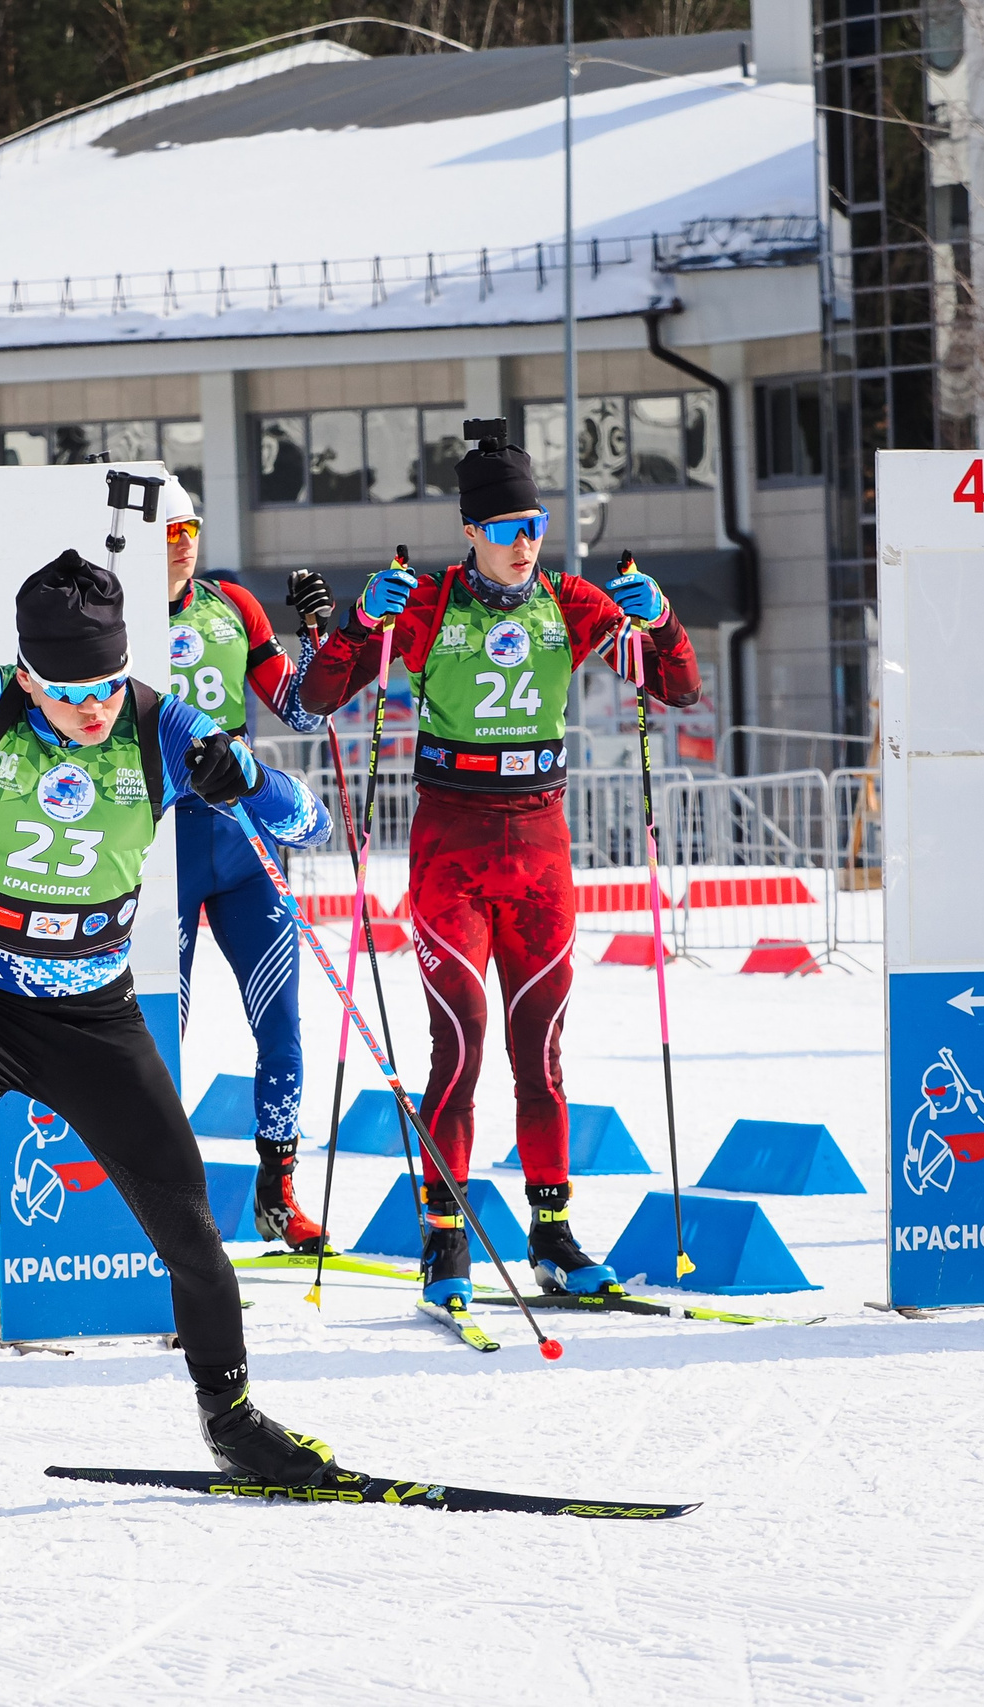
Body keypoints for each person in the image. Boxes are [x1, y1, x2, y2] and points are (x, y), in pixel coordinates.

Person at [0, 552, 341, 1481]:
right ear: (29, 674)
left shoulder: (161, 724)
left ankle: (232, 1415)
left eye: (108, 685)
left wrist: (246, 777)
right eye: (72, 690)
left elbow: (308, 823)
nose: (95, 708)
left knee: (190, 1226)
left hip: (94, 1015)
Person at [298, 425, 700, 1322]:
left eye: (538, 523)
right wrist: (365, 621)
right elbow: (322, 696)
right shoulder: (428, 603)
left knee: (541, 1050)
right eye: (511, 525)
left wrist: (662, 616)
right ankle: (445, 1235)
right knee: (460, 1043)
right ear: (471, 528)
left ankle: (552, 1235)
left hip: (543, 846)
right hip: (452, 844)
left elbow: (676, 687)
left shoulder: (572, 599)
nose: (528, 541)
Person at [157, 475, 337, 1250]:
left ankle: (277, 1186)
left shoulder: (232, 603)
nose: (184, 542)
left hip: (239, 831)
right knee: (164, 1035)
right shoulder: (113, 611)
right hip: (158, 838)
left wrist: (323, 639)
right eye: (168, 531)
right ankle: (160, 1196)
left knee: (283, 1023)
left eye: (190, 526)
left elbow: (302, 707)